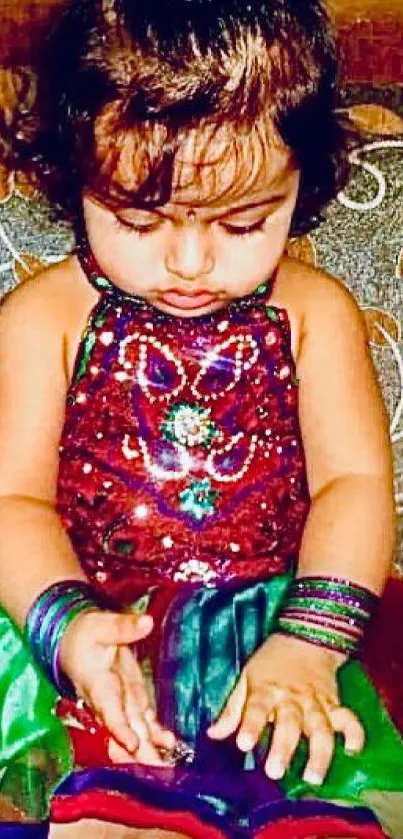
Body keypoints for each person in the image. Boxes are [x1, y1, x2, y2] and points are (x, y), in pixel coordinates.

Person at [0, 0, 402, 836]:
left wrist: (312, 641)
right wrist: (66, 626)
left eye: (244, 221)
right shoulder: (42, 318)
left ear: (304, 180)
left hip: (276, 629)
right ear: (75, 172)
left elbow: (355, 483)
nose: (190, 263)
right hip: (87, 619)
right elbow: (11, 501)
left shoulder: (314, 313)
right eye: (139, 220)